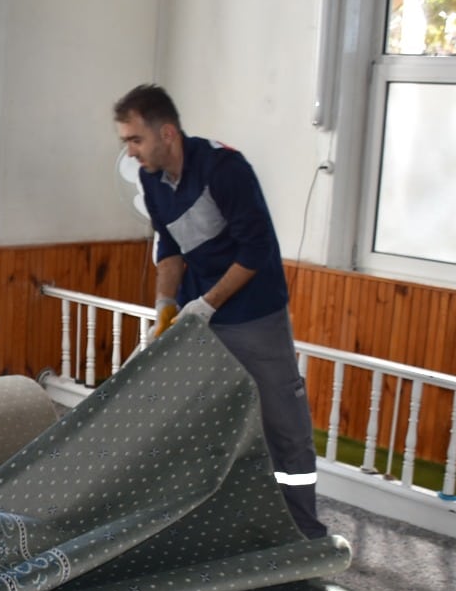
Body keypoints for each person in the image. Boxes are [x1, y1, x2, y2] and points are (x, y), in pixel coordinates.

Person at [113, 83, 327, 540]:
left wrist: (207, 305)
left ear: (166, 132)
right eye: (125, 142)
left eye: (135, 139)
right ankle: (205, 519)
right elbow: (169, 246)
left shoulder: (224, 169)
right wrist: (166, 307)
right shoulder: (151, 179)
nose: (130, 152)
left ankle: (303, 530)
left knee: (281, 424)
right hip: (197, 314)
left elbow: (257, 251)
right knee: (192, 417)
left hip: (254, 315)